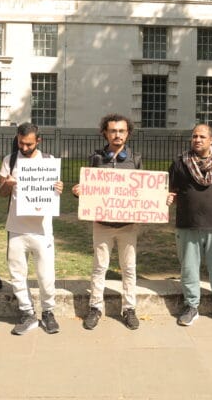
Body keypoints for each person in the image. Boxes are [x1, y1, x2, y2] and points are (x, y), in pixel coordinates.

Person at [72, 114, 143, 331]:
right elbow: (89, 187)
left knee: (129, 267)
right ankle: (95, 307)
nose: (117, 135)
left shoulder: (136, 159)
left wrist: (160, 197)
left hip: (128, 225)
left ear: (128, 133)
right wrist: (79, 192)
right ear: (105, 132)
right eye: (113, 130)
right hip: (102, 223)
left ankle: (129, 308)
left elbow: (144, 190)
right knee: (99, 267)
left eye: (121, 131)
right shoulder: (96, 158)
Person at [167, 124, 212, 327]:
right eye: (194, 136)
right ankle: (191, 306)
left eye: (202, 137)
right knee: (189, 268)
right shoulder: (180, 163)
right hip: (187, 224)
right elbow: (171, 190)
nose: (197, 140)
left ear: (211, 140)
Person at [0, 123, 64, 335]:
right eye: (20, 142)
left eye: (28, 144)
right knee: (17, 273)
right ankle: (27, 313)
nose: (24, 147)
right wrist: (8, 183)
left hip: (42, 229)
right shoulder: (10, 160)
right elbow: (1, 192)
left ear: (38, 141)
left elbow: (53, 191)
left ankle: (48, 312)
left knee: (46, 274)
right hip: (16, 227)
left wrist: (58, 188)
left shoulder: (49, 162)